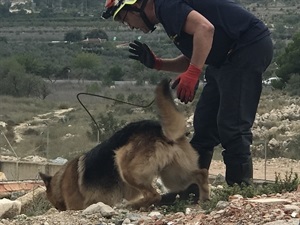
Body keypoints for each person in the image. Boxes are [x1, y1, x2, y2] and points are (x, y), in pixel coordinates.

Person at [102, 0, 273, 204]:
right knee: (204, 128)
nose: (129, 25)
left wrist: (193, 74)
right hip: (225, 58)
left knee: (232, 125)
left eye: (124, 18)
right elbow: (195, 53)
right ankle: (191, 193)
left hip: (247, 48)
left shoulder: (166, 6)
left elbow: (205, 29)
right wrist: (158, 64)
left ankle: (241, 193)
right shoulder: (168, 14)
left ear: (136, 5)